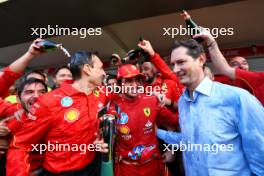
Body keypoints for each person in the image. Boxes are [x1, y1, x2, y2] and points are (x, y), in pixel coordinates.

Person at [157, 36, 264, 176]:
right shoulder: (183, 102)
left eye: (181, 62)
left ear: (201, 60)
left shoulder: (237, 98)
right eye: (173, 64)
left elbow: (260, 155)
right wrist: (157, 132)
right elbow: (189, 140)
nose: (175, 69)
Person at [7, 51, 108, 176]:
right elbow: (20, 145)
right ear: (87, 69)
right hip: (62, 173)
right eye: (101, 68)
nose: (104, 73)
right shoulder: (48, 102)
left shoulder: (101, 93)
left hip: (92, 167)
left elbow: (122, 96)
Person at [112, 64, 179, 176]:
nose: (135, 85)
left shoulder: (153, 100)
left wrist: (172, 150)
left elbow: (174, 122)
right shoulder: (112, 107)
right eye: (128, 81)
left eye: (138, 79)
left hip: (153, 165)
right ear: (120, 84)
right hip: (126, 168)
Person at [200, 31, 264, 105]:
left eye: (244, 63)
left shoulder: (259, 77)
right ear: (230, 67)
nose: (241, 66)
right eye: (235, 64)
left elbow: (224, 68)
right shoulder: (223, 85)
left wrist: (211, 41)